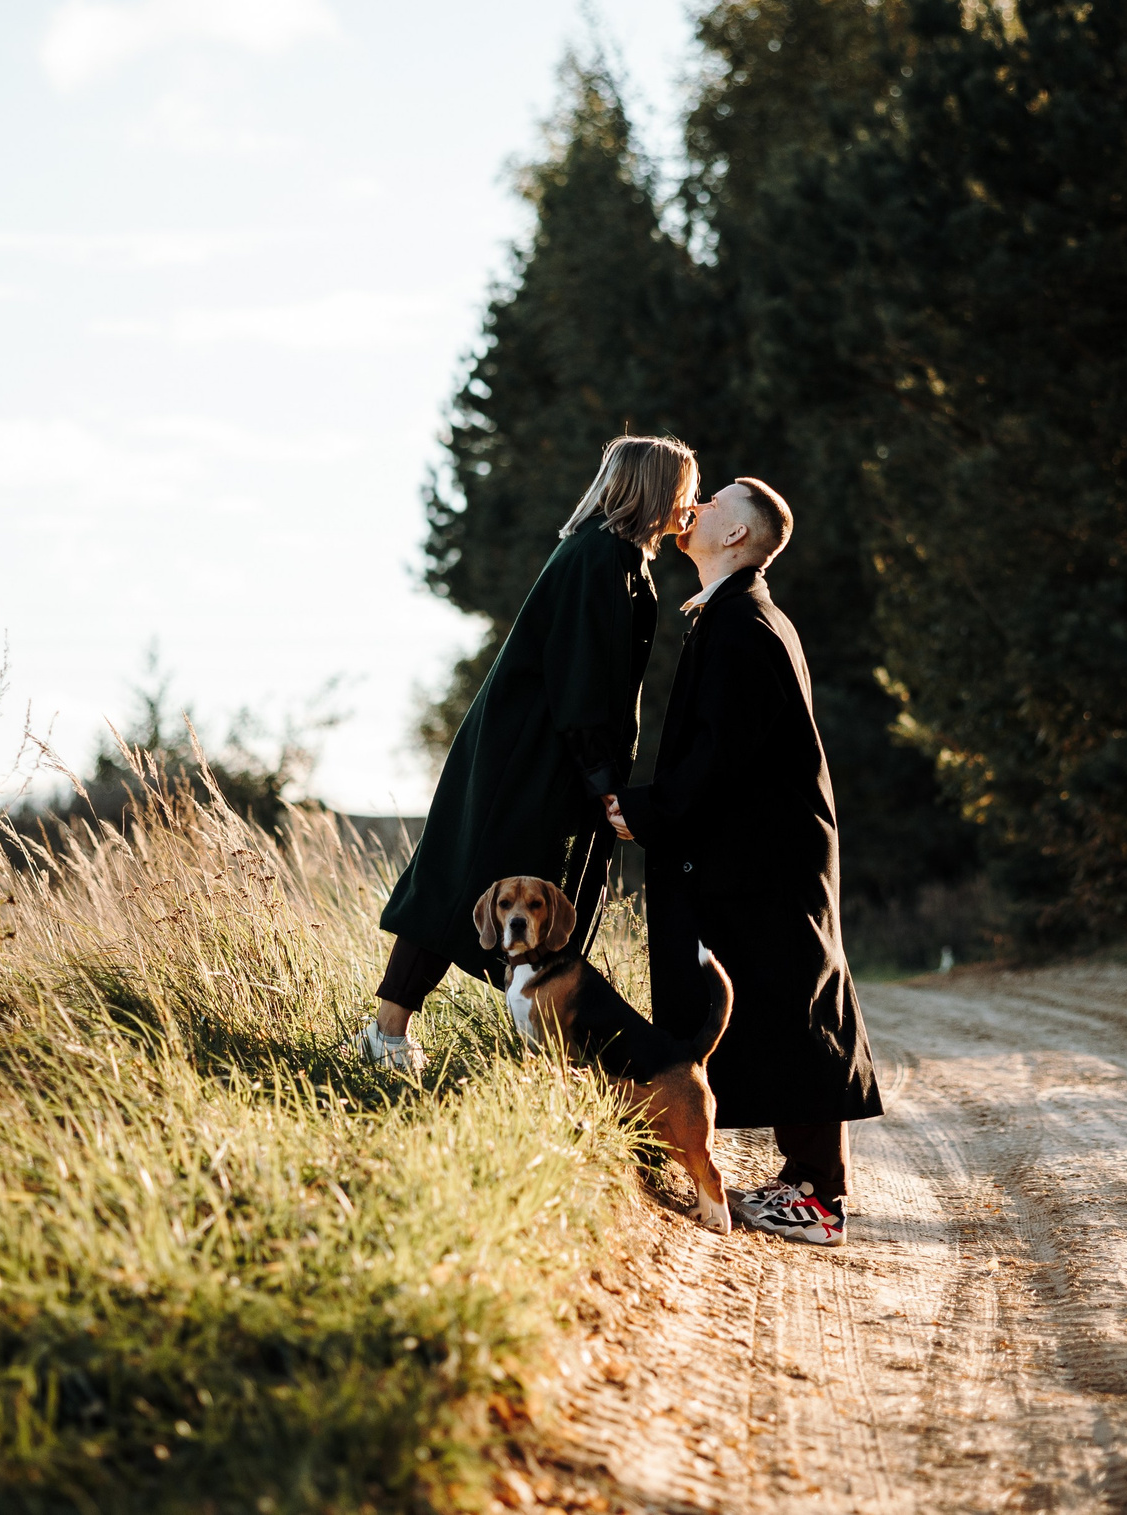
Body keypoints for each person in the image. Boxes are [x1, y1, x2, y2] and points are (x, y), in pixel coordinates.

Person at [359, 435, 698, 1075]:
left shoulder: (620, 559)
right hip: (526, 760)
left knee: (540, 901)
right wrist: (604, 782)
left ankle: (543, 1056)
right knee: (465, 888)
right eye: (685, 491)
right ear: (655, 488)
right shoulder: (598, 556)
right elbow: (579, 681)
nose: (692, 505)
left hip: (553, 759)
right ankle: (385, 1036)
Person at [607, 476, 881, 1247]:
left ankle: (821, 1199)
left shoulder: (744, 624)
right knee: (772, 1000)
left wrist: (647, 810)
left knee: (794, 1002)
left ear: (737, 535)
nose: (699, 502)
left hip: (772, 857)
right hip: (759, 851)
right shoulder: (727, 615)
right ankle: (800, 1181)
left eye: (718, 497)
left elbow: (722, 754)